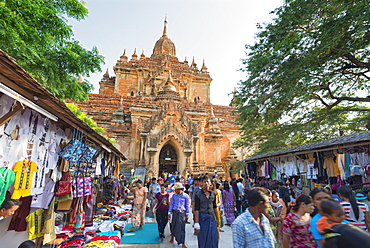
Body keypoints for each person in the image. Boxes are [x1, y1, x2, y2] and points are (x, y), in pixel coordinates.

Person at [194, 176, 218, 248]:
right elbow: (196, 209)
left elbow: (214, 207)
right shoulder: (198, 194)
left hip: (211, 218)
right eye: (204, 182)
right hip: (202, 217)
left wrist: (216, 218)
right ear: (201, 183)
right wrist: (196, 223)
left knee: (213, 237)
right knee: (203, 237)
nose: (206, 183)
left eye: (208, 181)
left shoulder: (213, 194)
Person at [168, 182, 190, 248]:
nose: (175, 191)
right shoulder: (174, 196)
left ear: (180, 189)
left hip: (182, 213)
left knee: (181, 228)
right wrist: (169, 212)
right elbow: (171, 204)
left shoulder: (186, 196)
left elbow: (187, 205)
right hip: (175, 212)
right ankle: (172, 237)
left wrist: (187, 214)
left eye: (177, 189)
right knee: (173, 226)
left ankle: (182, 242)